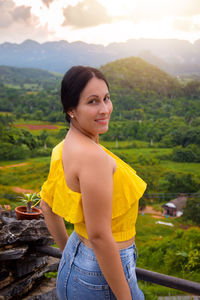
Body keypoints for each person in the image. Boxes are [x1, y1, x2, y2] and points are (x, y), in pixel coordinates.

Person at [40, 66, 147, 300]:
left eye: (106, 99)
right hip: (102, 274)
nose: (104, 109)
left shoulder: (64, 147)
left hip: (76, 262)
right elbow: (99, 236)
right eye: (92, 102)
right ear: (71, 110)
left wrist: (70, 254)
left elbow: (46, 206)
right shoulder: (93, 158)